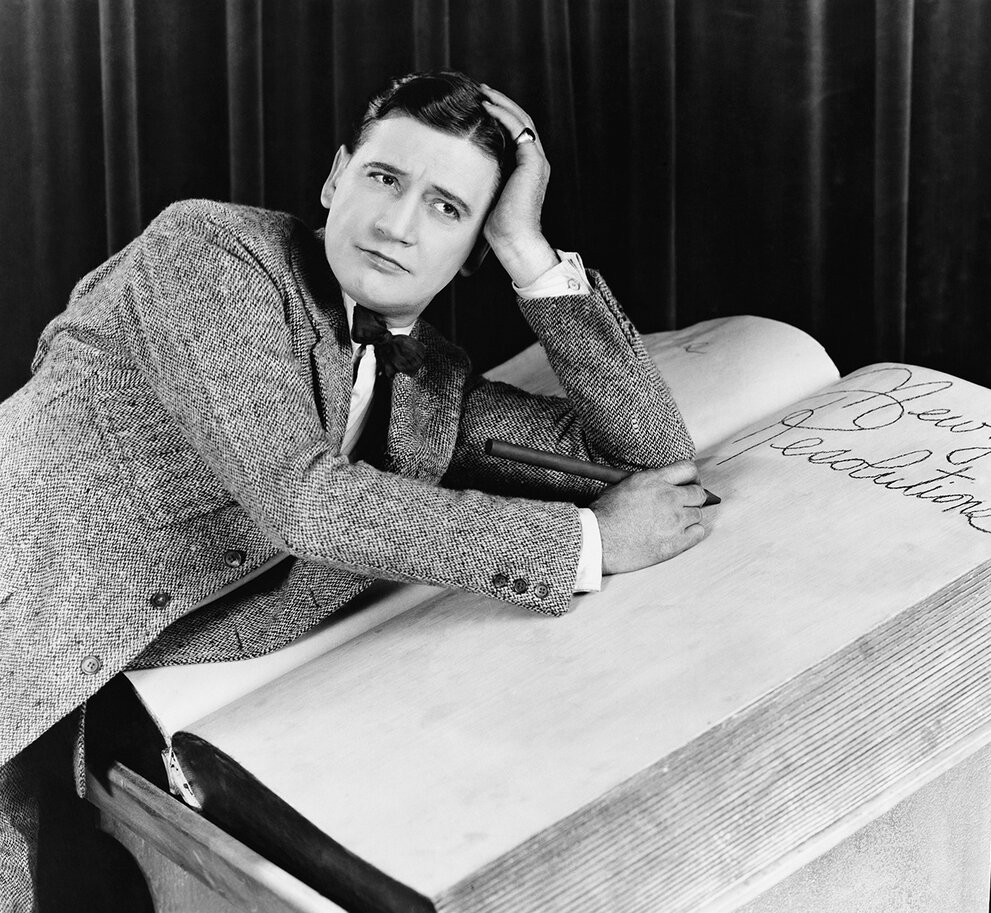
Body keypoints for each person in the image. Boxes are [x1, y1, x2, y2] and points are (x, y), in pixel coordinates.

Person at [0, 71, 710, 910]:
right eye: (384, 178)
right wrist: (585, 544)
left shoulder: (432, 383)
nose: (397, 225)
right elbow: (302, 500)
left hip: (78, 719)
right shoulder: (210, 254)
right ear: (337, 178)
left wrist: (529, 250)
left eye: (447, 208)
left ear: (475, 249)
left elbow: (652, 457)